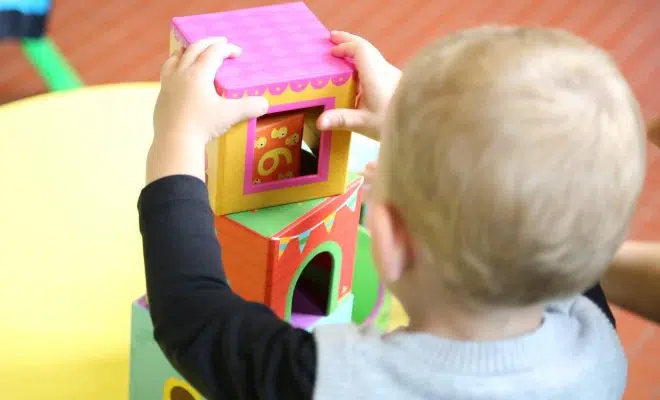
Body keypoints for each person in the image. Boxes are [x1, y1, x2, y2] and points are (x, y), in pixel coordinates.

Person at [139, 27, 645, 399]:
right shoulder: (595, 344)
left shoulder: (340, 383)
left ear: (390, 238)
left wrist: (178, 137)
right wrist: (416, 133)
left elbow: (191, 315)